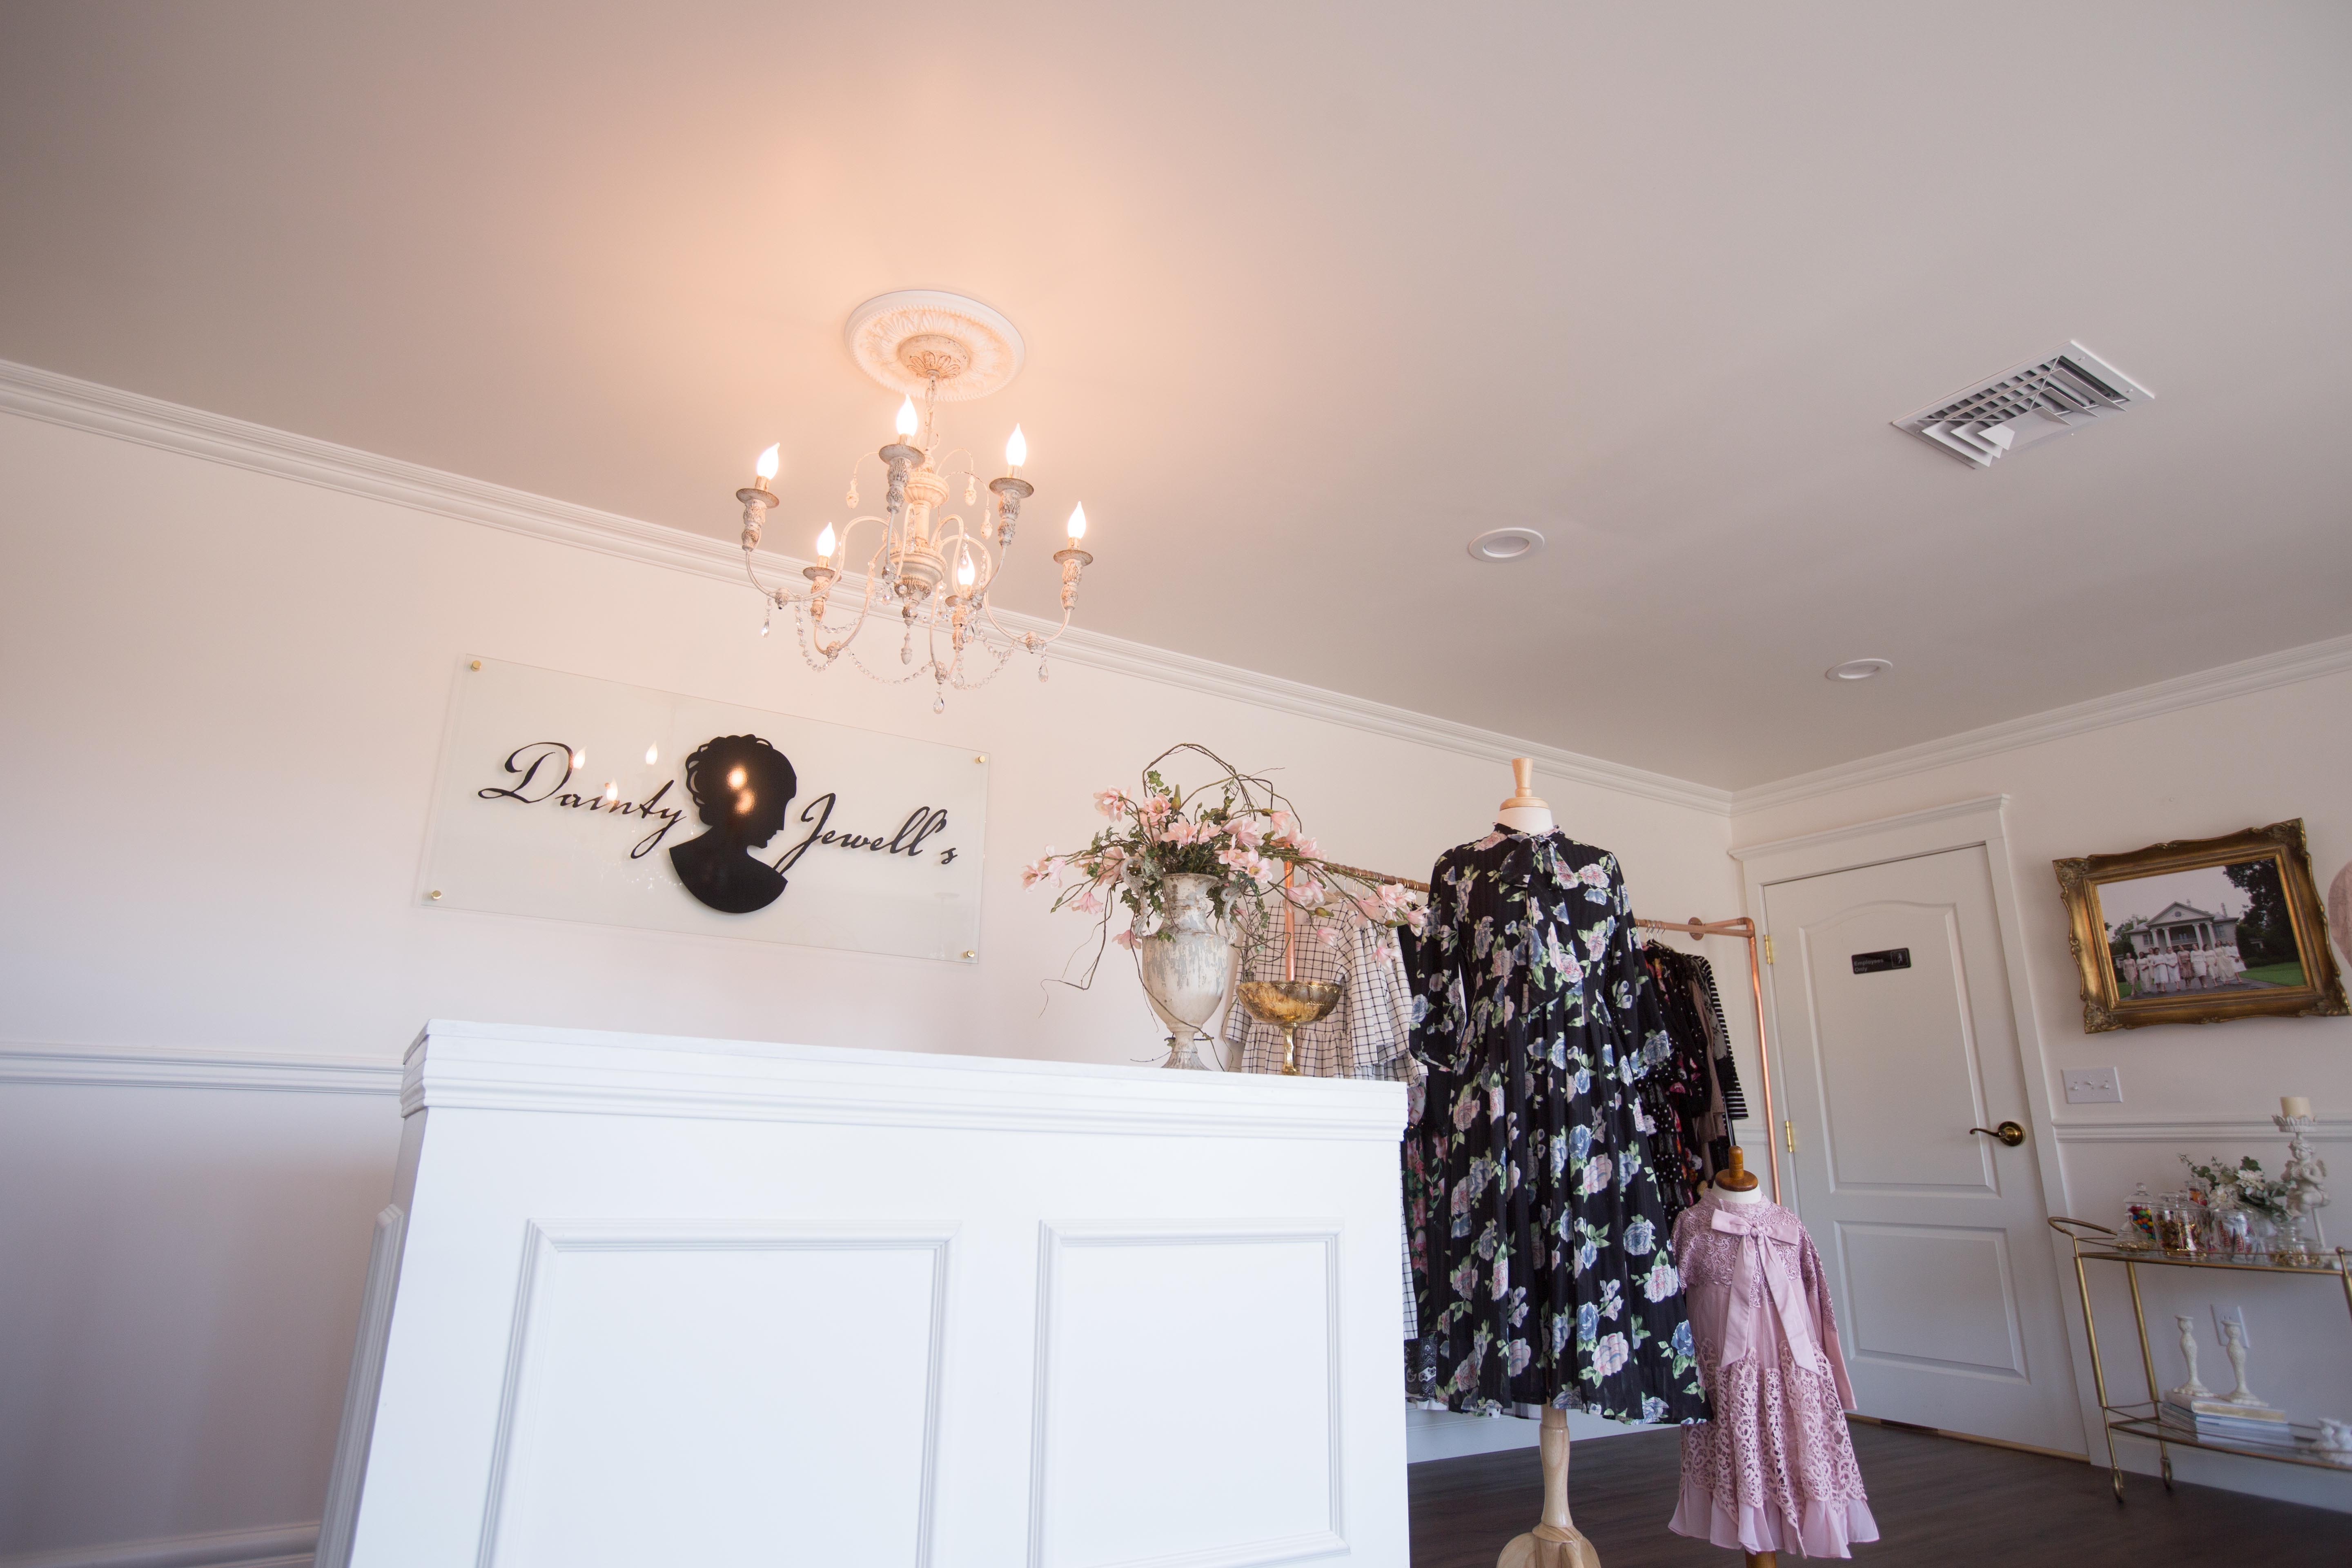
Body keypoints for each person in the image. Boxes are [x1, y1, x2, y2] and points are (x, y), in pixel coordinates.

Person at [666, 733, 797, 913]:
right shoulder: (765, 883)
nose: (781, 825)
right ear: (737, 799)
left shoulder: (765, 882)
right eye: (776, 806)